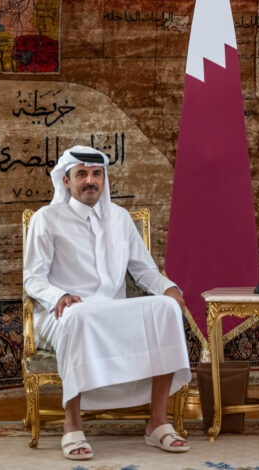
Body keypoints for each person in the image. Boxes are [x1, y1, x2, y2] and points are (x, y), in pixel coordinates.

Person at [23, 145, 192, 460]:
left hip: (113, 312)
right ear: (66, 181)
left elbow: (145, 271)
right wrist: (59, 295)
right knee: (78, 315)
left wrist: (168, 288)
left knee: (166, 309)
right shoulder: (47, 219)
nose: (90, 181)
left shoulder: (120, 218)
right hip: (63, 313)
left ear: (104, 178)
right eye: (82, 174)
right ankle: (72, 425)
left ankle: (157, 422)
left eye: (96, 174)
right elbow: (33, 278)